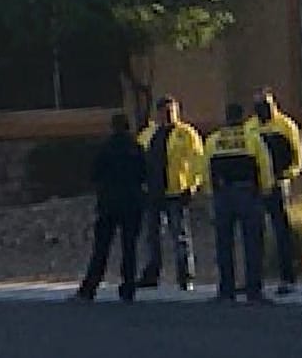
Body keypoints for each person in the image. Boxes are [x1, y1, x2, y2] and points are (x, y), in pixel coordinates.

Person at [201, 102, 276, 304]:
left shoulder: (214, 140)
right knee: (253, 243)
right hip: (248, 194)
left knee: (224, 244)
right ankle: (253, 290)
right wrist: (266, 191)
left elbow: (205, 169)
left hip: (222, 195)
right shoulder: (252, 139)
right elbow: (264, 166)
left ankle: (226, 290)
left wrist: (210, 194)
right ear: (243, 118)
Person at [75, 113, 148, 303]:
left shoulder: (105, 148)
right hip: (132, 203)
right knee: (129, 247)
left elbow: (94, 174)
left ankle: (90, 288)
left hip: (109, 203)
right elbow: (145, 174)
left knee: (101, 248)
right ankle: (128, 288)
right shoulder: (137, 148)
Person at [135, 96, 204, 292]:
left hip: (176, 191)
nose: (168, 114)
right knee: (151, 236)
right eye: (164, 111)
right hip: (152, 192)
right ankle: (151, 274)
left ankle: (185, 276)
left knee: (179, 235)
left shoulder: (186, 133)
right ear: (157, 113)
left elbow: (197, 161)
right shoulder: (148, 134)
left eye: (171, 111)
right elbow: (139, 161)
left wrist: (192, 186)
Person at [249, 88, 302, 296]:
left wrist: (285, 177)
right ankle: (255, 280)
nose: (263, 110)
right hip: (255, 188)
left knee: (281, 232)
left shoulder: (285, 125)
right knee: (255, 234)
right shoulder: (251, 127)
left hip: (278, 186)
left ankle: (287, 278)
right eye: (259, 106)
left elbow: (297, 157)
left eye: (266, 105)